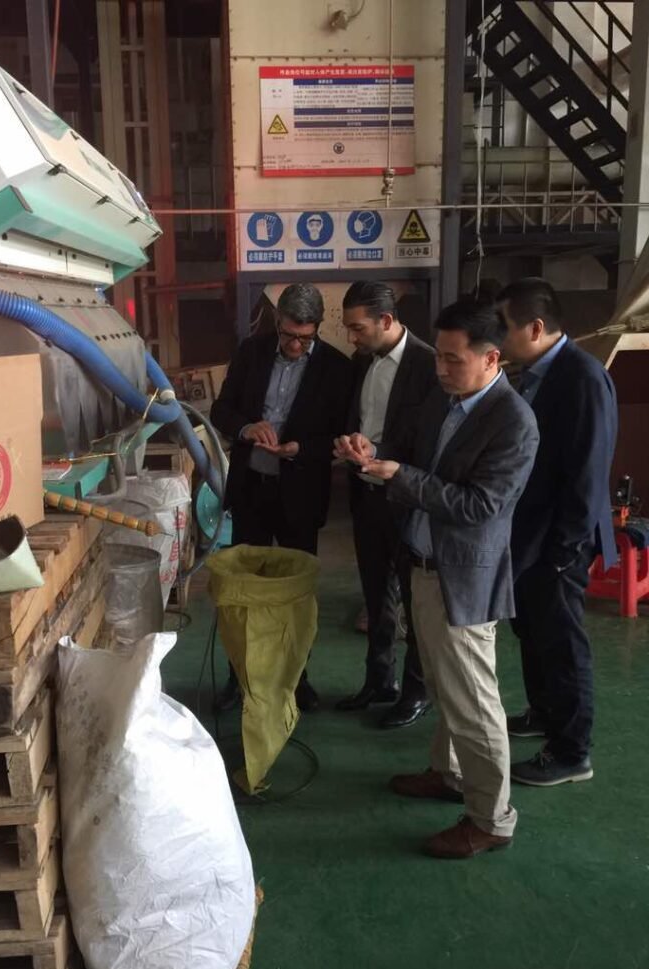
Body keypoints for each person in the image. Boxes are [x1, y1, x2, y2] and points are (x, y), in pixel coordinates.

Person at [338, 299, 539, 858]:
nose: (442, 368)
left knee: (474, 702)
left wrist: (399, 476)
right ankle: (449, 773)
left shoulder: (513, 423)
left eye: (454, 360)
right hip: (423, 562)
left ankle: (492, 819)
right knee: (447, 686)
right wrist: (373, 453)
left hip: (462, 577)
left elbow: (479, 506)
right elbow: (413, 456)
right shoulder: (445, 400)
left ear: (492, 358)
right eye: (439, 357)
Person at [497, 278, 618, 786]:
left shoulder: (582, 377)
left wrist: (565, 551)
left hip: (560, 543)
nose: (498, 338)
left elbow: (588, 472)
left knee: (563, 644)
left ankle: (572, 753)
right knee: (533, 633)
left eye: (504, 327)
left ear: (535, 327)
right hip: (531, 538)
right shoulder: (532, 374)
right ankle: (543, 712)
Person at [210, 283, 351, 711]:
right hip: (251, 490)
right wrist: (246, 428)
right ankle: (239, 677)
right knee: (244, 590)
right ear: (277, 321)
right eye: (289, 335)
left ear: (317, 328)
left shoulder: (336, 368)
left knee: (296, 594)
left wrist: (300, 449)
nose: (295, 345)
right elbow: (221, 410)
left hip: (300, 497)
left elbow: (340, 434)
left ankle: (296, 678)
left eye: (305, 338)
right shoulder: (251, 353)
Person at [333, 281, 437, 727]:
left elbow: (428, 441)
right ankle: (379, 680)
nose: (351, 337)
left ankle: (417, 690)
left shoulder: (428, 365)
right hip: (367, 494)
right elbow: (359, 419)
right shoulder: (363, 361)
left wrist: (378, 450)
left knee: (415, 602)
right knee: (376, 595)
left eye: (358, 328)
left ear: (387, 321)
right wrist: (350, 443)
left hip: (407, 499)